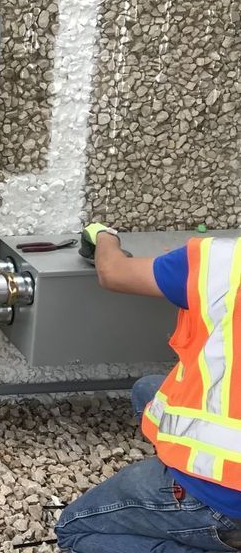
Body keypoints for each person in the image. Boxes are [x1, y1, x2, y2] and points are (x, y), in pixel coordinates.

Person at [56, 223, 241, 552]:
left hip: (222, 497)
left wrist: (103, 235)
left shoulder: (222, 261)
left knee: (75, 531)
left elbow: (113, 272)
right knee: (148, 390)